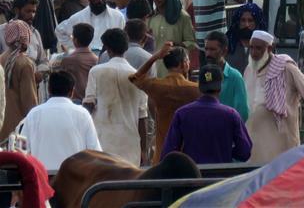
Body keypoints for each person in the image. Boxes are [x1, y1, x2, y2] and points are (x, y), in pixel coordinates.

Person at [244, 31, 304, 163]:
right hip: (255, 142)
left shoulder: (285, 67)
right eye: (251, 47)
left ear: (269, 49)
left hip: (281, 142)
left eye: (258, 48)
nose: (254, 52)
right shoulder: (249, 69)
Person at [161, 63, 252, 164]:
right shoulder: (231, 115)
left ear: (199, 86)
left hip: (193, 176)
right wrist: (226, 151)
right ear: (220, 86)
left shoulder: (182, 114)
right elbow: (245, 152)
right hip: (222, 175)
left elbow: (168, 153)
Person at [83, 28, 148, 166]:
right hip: (130, 144)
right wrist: (144, 150)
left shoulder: (96, 72)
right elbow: (143, 117)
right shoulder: (137, 76)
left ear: (107, 49)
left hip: (102, 142)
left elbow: (89, 104)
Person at [129, 42, 200, 163]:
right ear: (183, 64)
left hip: (163, 152)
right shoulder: (195, 89)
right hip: (189, 154)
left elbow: (135, 78)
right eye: (187, 61)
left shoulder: (157, 86)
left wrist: (155, 57)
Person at [18, 70, 102, 170]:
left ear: (49, 89)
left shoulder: (34, 114)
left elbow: (21, 150)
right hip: (74, 179)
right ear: (72, 92)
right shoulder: (83, 114)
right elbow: (95, 152)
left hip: (41, 179)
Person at [56, 0, 126, 52]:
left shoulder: (118, 17)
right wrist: (74, 49)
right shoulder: (78, 17)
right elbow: (60, 31)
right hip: (85, 59)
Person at [146, 0, 196, 77]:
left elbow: (192, 43)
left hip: (176, 71)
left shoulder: (182, 17)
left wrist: (177, 45)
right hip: (155, 70)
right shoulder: (150, 18)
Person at [0, 20, 38, 139]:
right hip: (17, 127)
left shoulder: (1, 59)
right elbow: (29, 101)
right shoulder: (25, 63)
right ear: (26, 38)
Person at [203, 31, 249, 120]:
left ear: (224, 51)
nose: (208, 54)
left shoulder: (235, 77)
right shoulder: (205, 75)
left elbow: (243, 113)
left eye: (212, 49)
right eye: (206, 49)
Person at [0, 0, 49, 78]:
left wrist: (39, 74)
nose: (32, 15)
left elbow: (43, 61)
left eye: (34, 12)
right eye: (28, 11)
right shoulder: (2, 31)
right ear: (16, 11)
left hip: (32, 84)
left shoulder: (35, 33)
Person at [225, 3, 267, 75]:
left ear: (256, 23)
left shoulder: (265, 45)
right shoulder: (228, 44)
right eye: (243, 20)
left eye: (250, 21)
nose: (246, 25)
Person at [59, 23, 97, 101]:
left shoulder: (68, 60)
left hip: (75, 101)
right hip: (92, 101)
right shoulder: (96, 59)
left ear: (75, 40)